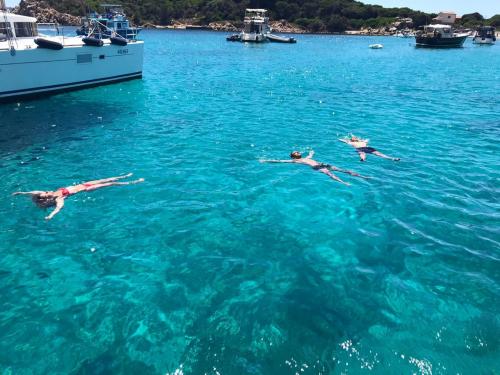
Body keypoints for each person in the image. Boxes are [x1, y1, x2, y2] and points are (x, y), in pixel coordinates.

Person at [12, 173, 144, 220]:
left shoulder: (47, 193)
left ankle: (124, 176)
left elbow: (32, 193)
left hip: (83, 184)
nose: (47, 191)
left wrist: (20, 193)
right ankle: (132, 182)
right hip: (86, 190)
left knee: (104, 179)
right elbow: (59, 208)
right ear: (46, 198)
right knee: (110, 184)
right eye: (46, 193)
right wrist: (51, 215)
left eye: (46, 191)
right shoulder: (58, 198)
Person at [260, 150, 368, 185]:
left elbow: (310, 156)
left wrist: (311, 152)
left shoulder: (304, 157)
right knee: (331, 174)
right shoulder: (295, 161)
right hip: (316, 167)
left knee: (342, 170)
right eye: (295, 152)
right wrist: (267, 160)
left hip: (322, 163)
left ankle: (361, 176)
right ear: (294, 156)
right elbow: (281, 161)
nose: (297, 152)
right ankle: (344, 183)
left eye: (297, 151)